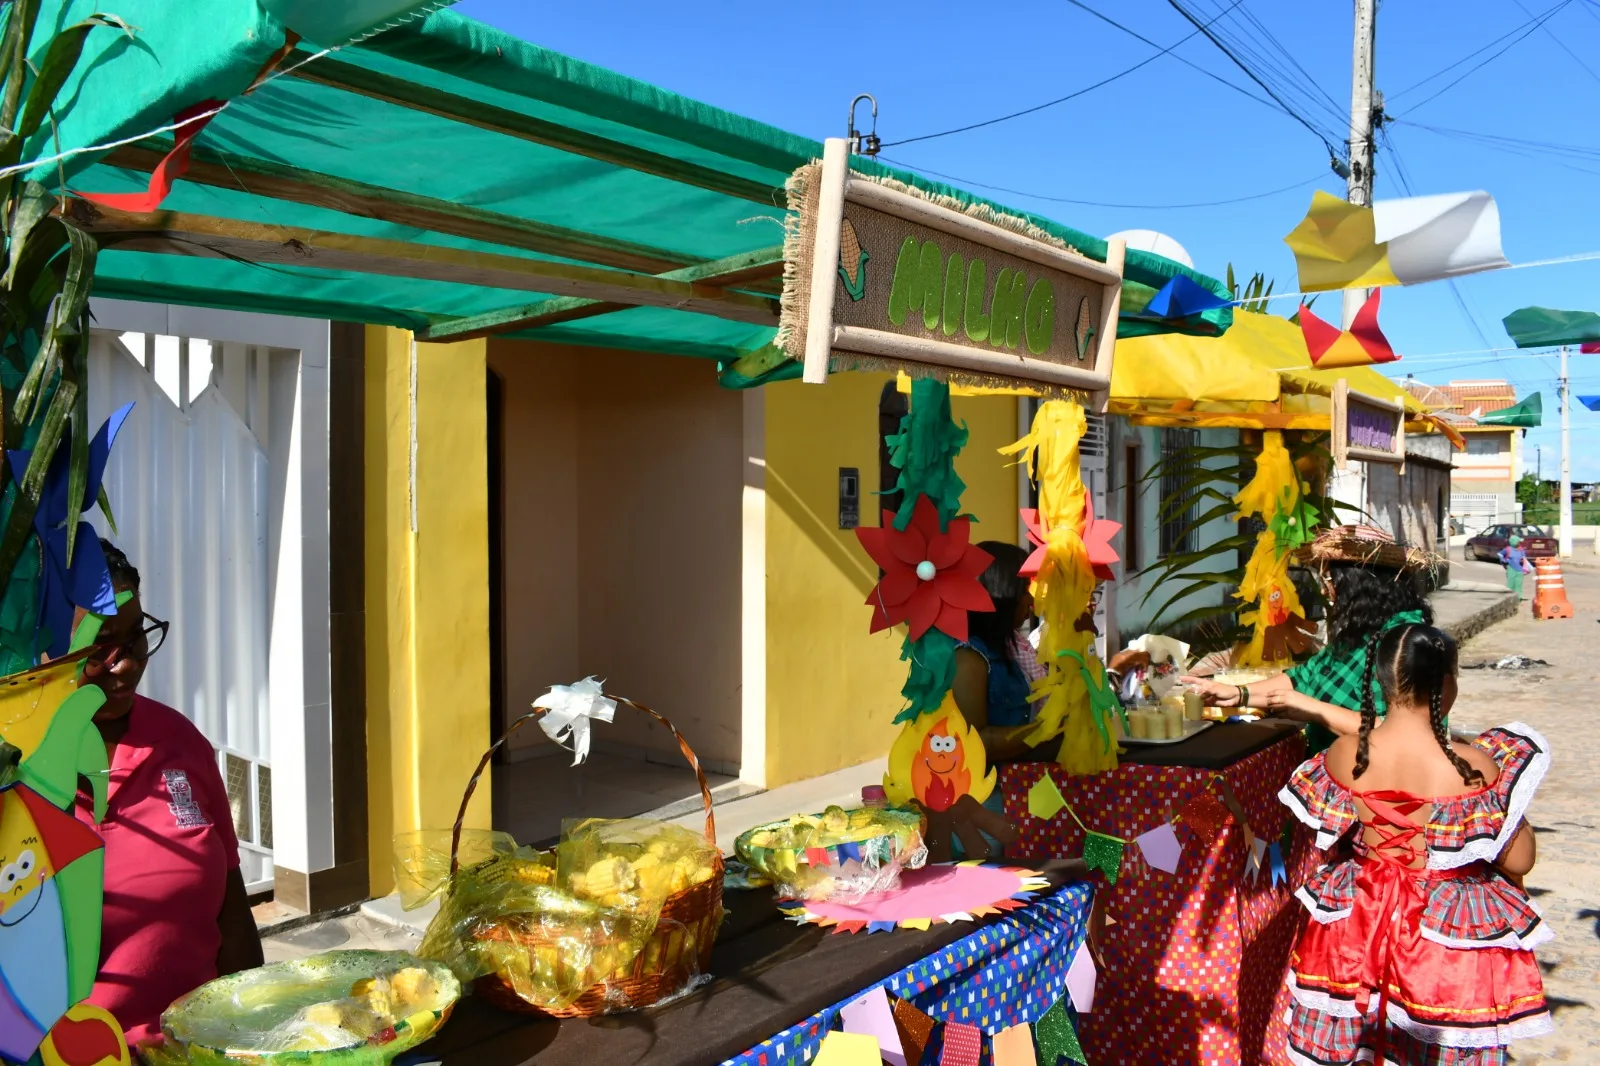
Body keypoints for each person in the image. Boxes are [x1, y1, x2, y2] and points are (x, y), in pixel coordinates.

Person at [1278, 624, 1551, 1064]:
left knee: (1365, 1045)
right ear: (1447, 683)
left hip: (1358, 925)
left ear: (1381, 680)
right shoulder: (1473, 764)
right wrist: (1511, 806)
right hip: (1440, 933)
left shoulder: (1344, 753)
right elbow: (1521, 857)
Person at [69, 541, 263, 1046]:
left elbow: (230, 904)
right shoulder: (20, 777)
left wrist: (251, 1031)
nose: (127, 664)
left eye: (135, 638)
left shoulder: (179, 742)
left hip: (196, 1050)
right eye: (99, 648)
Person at [1182, 525, 1436, 756]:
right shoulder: (1358, 633)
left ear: (1359, 584)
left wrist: (1314, 709)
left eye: (1329, 579)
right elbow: (1301, 678)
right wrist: (1236, 694)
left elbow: (1397, 732)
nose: (1325, 591)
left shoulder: (1406, 643)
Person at [951, 542, 1038, 764]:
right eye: (1024, 590)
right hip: (991, 793)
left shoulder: (1012, 648)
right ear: (1003, 595)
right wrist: (1046, 730)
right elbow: (972, 742)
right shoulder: (969, 658)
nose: (1031, 601)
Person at [1498, 533, 1532, 602]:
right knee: (1511, 583)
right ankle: (1509, 598)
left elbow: (1524, 557)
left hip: (1520, 569)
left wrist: (1523, 561)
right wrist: (1503, 560)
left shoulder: (1521, 549)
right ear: (1513, 542)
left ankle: (1518, 598)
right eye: (1518, 541)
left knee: (1518, 584)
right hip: (1511, 569)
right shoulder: (1508, 549)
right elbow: (1499, 554)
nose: (1519, 543)